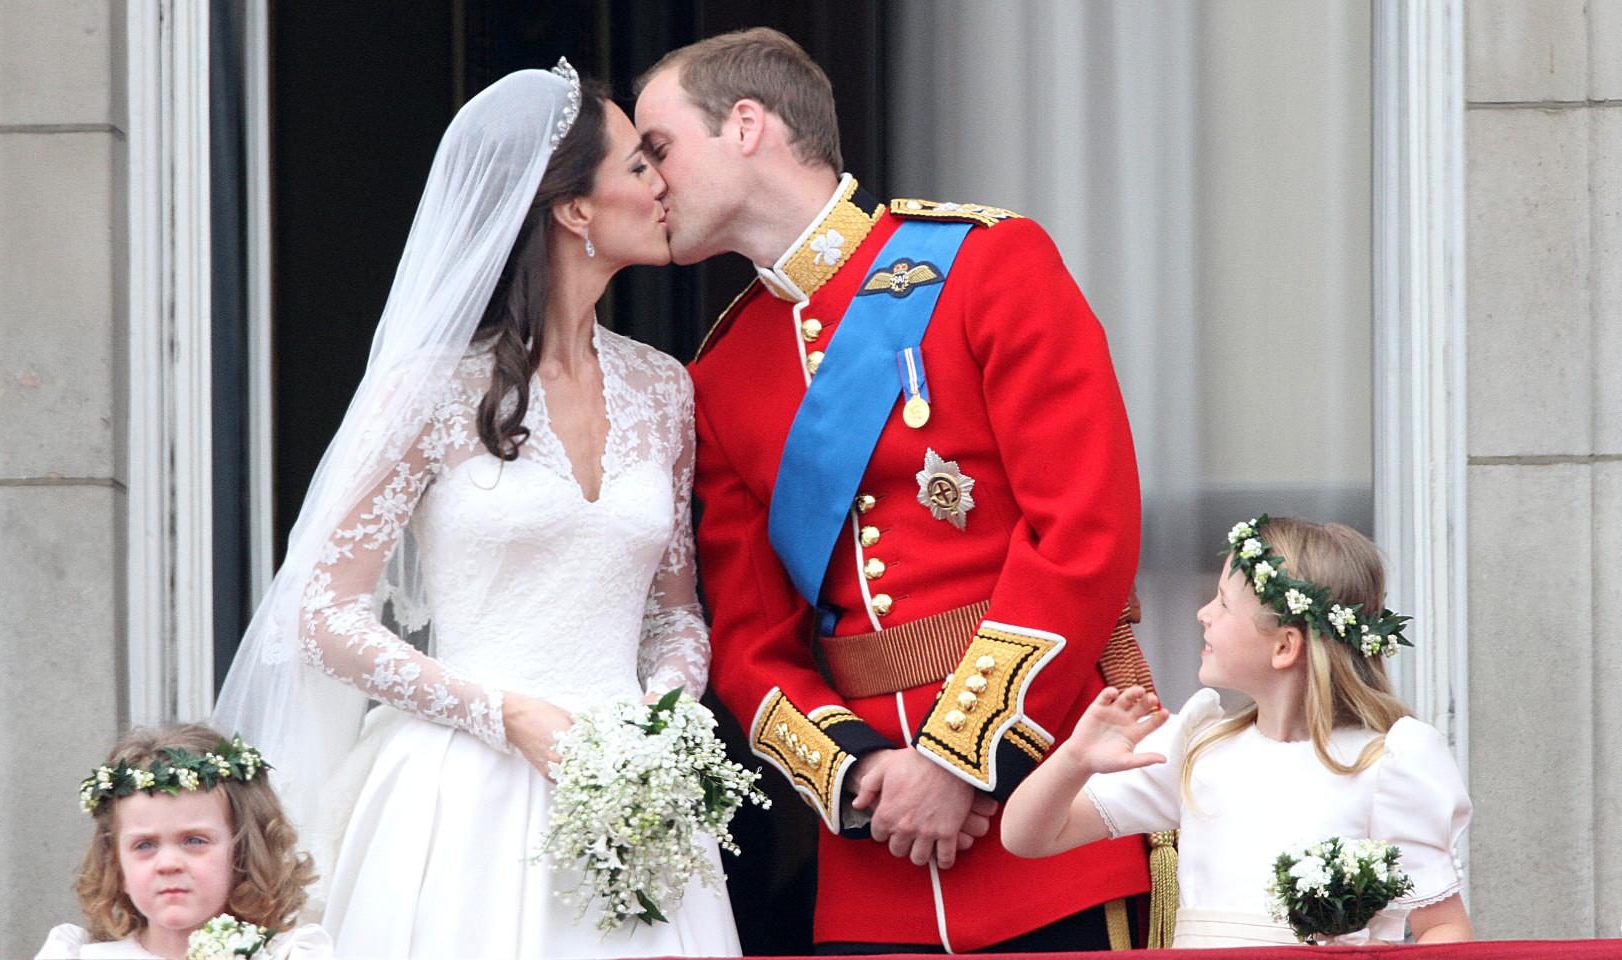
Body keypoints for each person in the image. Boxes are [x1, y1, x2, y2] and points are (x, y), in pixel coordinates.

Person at [635, 28, 1156, 953]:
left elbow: (1087, 529)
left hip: (1054, 809)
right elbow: (751, 644)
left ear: (746, 126)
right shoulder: (720, 372)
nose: (648, 179)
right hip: (879, 861)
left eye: (660, 146)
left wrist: (961, 757)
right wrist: (862, 773)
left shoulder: (989, 263)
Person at [210, 61, 739, 958]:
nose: (663, 185)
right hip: (462, 795)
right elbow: (321, 614)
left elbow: (674, 612)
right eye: (640, 166)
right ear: (574, 208)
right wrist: (509, 716)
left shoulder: (665, 389)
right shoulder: (429, 390)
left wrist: (662, 722)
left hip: (635, 804)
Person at [1000, 515, 1474, 947]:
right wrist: (1074, 761)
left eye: (1223, 603)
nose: (1204, 613)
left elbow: (1444, 928)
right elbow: (1028, 837)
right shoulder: (1198, 747)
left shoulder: (1385, 765)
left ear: (1285, 646)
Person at [36, 724, 332, 959]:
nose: (168, 864)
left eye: (194, 840)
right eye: (145, 845)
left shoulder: (288, 954)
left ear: (243, 851)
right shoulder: (79, 956)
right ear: (117, 865)